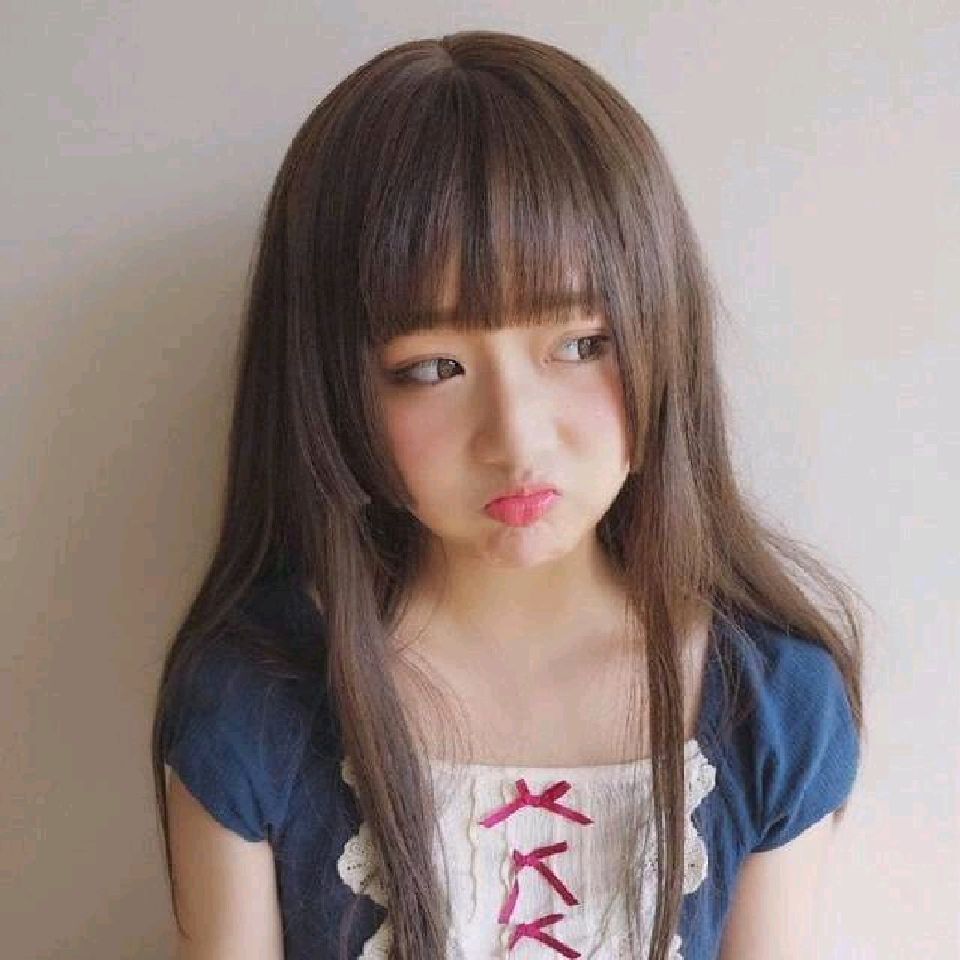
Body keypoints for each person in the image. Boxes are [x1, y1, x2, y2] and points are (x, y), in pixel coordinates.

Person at [150, 29, 865, 960]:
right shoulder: (255, 698)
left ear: (664, 334)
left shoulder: (769, 704)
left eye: (580, 345)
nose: (518, 438)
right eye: (432, 367)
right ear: (332, 388)